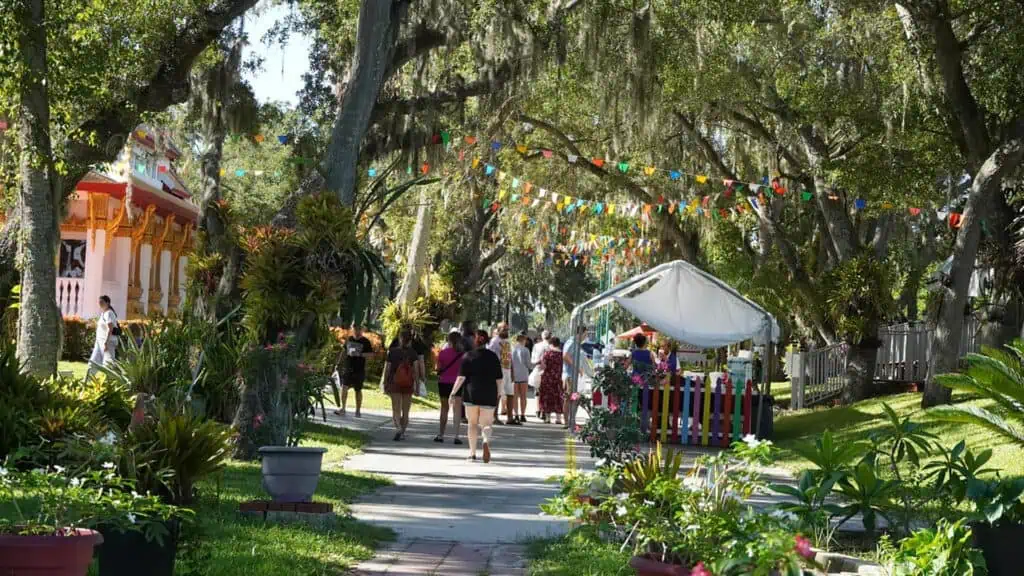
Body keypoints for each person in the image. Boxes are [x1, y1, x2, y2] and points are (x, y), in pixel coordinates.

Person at [450, 330, 503, 462]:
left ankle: (472, 453)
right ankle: (485, 441)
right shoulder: (493, 357)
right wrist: (499, 393)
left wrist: (453, 392)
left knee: (472, 424)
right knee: (487, 424)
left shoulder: (468, 356)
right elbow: (499, 379)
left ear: (475, 340)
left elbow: (461, 378)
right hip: (489, 393)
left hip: (471, 394)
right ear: (487, 341)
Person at [384, 331, 418, 441]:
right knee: (406, 411)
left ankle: (398, 428)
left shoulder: (392, 352)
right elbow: (416, 371)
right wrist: (416, 385)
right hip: (408, 384)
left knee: (396, 409)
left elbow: (387, 369)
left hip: (395, 383)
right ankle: (402, 433)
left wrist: (385, 381)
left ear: (400, 339)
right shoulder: (413, 353)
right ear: (410, 341)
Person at [334, 322, 373, 418]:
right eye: (355, 328)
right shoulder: (349, 339)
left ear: (362, 330)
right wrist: (338, 364)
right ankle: (343, 409)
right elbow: (344, 352)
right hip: (348, 367)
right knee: (344, 387)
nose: (357, 331)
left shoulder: (365, 341)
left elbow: (371, 355)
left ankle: (358, 411)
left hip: (359, 368)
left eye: (359, 329)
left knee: (358, 390)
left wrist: (359, 354)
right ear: (352, 329)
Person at [435, 330, 465, 444]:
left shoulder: (443, 353)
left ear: (449, 341)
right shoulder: (463, 355)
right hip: (457, 384)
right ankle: (456, 436)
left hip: (443, 383)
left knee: (444, 409)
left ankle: (441, 434)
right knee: (457, 410)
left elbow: (438, 368)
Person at [488, 323, 517, 425]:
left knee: (510, 393)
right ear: (498, 330)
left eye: (507, 330)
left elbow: (510, 357)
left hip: (508, 370)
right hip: (498, 370)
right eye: (504, 329)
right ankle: (494, 417)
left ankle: (510, 418)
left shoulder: (508, 341)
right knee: (498, 394)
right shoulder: (494, 342)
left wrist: (513, 371)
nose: (506, 331)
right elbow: (491, 358)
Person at [87, 295, 119, 379]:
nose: (100, 304)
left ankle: (109, 384)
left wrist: (106, 342)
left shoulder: (109, 313)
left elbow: (110, 328)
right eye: (99, 302)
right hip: (99, 343)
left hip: (107, 343)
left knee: (108, 365)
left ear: (107, 303)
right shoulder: (103, 313)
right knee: (93, 363)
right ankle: (87, 381)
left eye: (102, 302)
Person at [562, 324, 588, 428]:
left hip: (575, 377)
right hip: (570, 376)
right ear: (580, 333)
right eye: (585, 334)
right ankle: (567, 421)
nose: (585, 337)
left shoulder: (576, 343)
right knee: (570, 398)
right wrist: (577, 367)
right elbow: (565, 356)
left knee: (575, 398)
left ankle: (571, 420)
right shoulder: (572, 342)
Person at [539, 337, 564, 424]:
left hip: (547, 378)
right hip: (558, 378)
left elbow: (543, 366)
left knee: (547, 397)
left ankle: (547, 418)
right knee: (558, 397)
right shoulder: (562, 354)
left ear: (551, 344)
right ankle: (558, 418)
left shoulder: (547, 354)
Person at [511, 332, 532, 424]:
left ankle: (516, 414)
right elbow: (528, 364)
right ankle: (523, 414)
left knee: (515, 396)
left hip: (514, 374)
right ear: (523, 340)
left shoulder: (512, 349)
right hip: (523, 374)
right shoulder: (526, 350)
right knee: (523, 396)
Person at [529, 330, 550, 418]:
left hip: (538, 369)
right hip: (548, 371)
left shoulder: (536, 346)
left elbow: (532, 360)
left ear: (542, 337)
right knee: (546, 392)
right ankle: (544, 410)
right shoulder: (551, 346)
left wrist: (538, 362)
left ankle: (538, 409)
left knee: (538, 391)